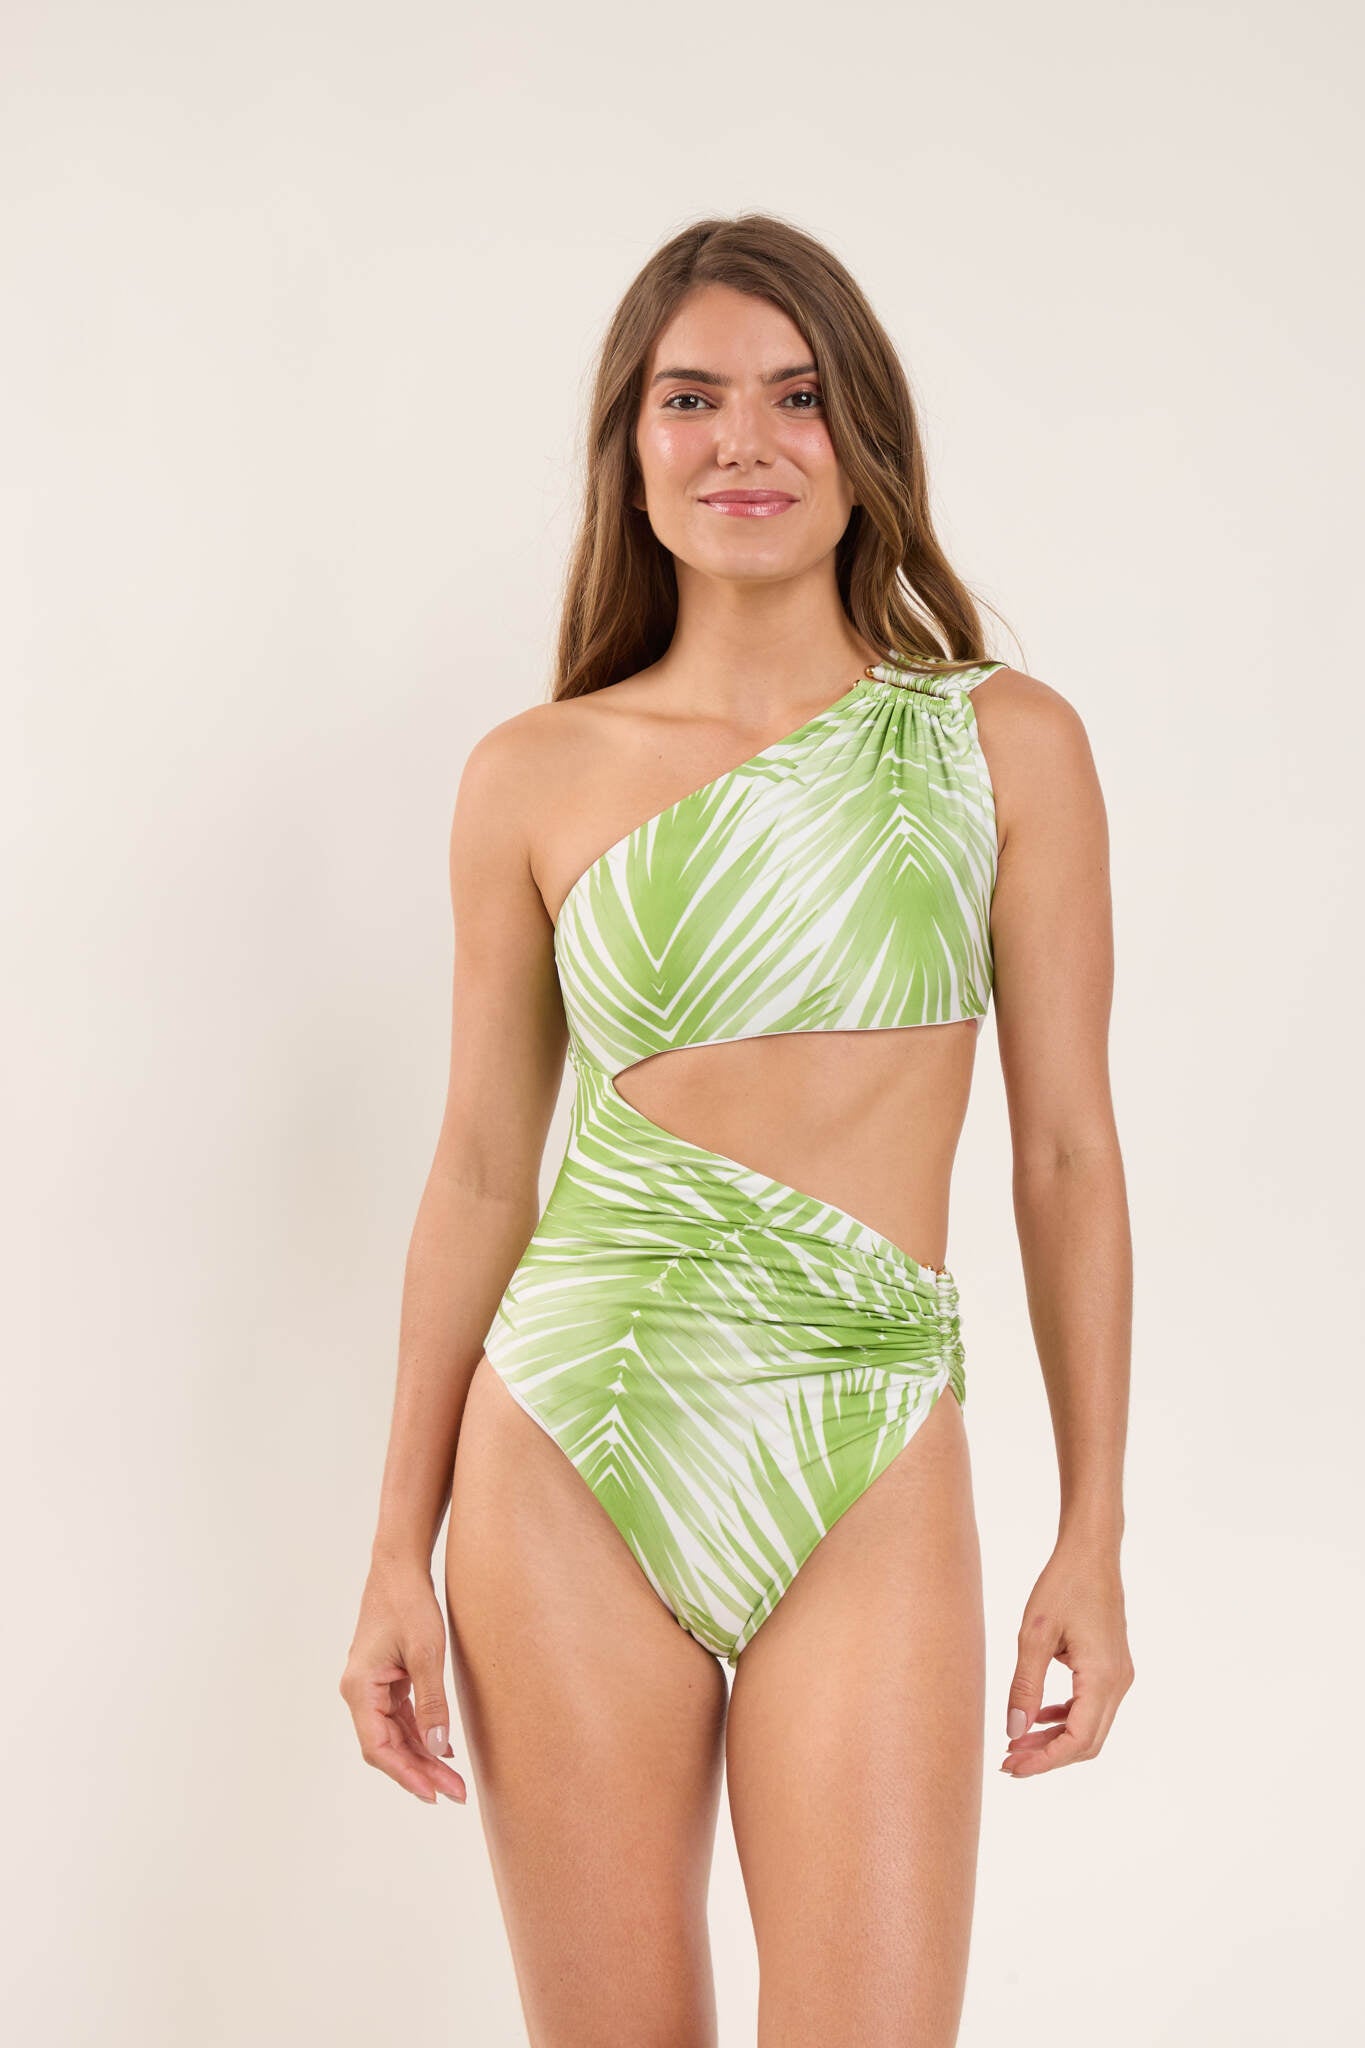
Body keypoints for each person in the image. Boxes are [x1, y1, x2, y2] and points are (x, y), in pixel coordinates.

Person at [340, 212, 1134, 2047]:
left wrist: (1090, 1529)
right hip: (570, 1441)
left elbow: (1066, 1157)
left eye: (796, 396)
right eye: (689, 399)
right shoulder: (530, 773)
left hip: (866, 1437)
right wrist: (392, 1546)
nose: (743, 443)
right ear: (629, 448)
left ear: (864, 441)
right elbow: (480, 1169)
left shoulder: (1002, 744)